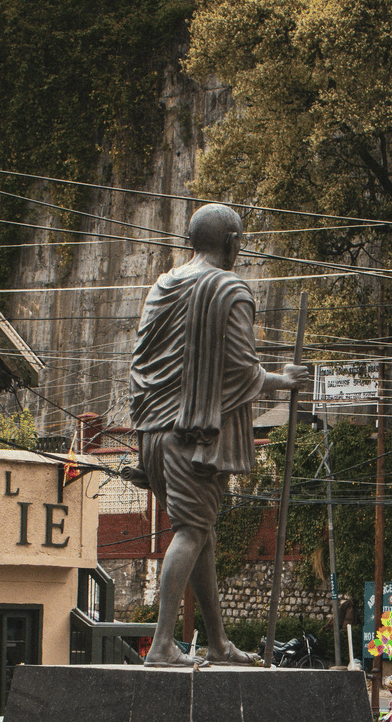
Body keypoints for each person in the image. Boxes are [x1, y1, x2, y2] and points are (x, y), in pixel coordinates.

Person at [129, 204, 308, 667]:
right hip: (194, 435)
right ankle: (163, 644)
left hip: (152, 431)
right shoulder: (229, 289)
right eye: (240, 240)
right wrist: (282, 380)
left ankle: (217, 642)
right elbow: (240, 369)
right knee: (191, 532)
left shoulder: (162, 287)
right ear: (230, 241)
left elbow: (141, 364)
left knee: (201, 532)